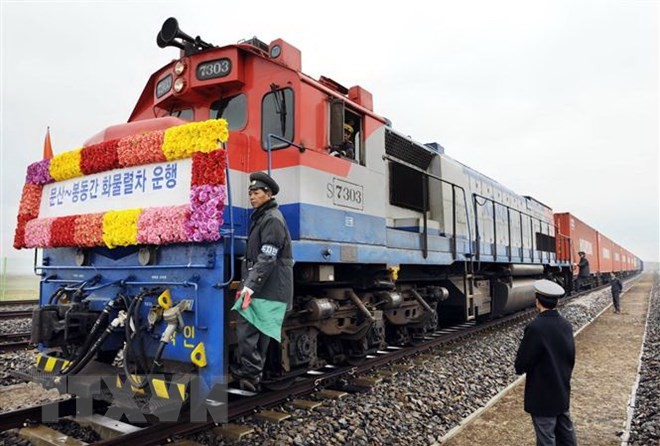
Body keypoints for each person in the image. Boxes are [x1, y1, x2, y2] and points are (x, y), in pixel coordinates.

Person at [231, 171, 294, 392]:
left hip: (266, 285)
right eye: (250, 193)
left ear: (268, 194)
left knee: (248, 328)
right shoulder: (264, 217)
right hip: (265, 284)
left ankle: (251, 374)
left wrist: (249, 285)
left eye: (256, 193)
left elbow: (267, 257)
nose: (252, 197)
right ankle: (253, 374)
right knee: (257, 328)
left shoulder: (272, 220)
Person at [515, 279, 577, 446]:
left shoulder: (535, 327)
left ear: (537, 301)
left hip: (542, 394)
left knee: (546, 437)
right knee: (566, 433)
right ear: (557, 302)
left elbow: (522, 363)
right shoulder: (566, 326)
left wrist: (520, 367)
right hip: (562, 389)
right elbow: (571, 357)